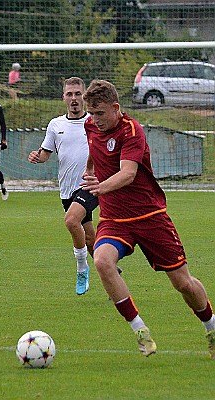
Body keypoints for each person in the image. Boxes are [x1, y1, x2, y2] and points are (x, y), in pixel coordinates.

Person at [81, 79, 215, 358]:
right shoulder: (90, 126)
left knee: (183, 283)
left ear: (116, 108)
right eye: (91, 113)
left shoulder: (133, 131)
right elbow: (94, 148)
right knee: (102, 260)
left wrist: (100, 187)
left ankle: (211, 327)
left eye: (100, 113)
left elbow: (128, 173)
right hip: (115, 219)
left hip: (150, 216)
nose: (95, 119)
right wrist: (90, 170)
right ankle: (140, 330)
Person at [28, 77, 99, 295]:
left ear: (84, 97)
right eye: (70, 94)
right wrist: (37, 157)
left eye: (78, 94)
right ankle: (108, 265)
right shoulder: (55, 125)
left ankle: (81, 268)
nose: (74, 98)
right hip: (67, 190)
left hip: (90, 185)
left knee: (71, 221)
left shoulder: (95, 123)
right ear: (64, 98)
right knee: (88, 237)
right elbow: (46, 154)